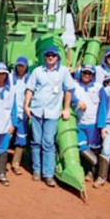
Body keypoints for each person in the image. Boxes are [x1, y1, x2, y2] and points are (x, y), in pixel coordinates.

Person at [24, 46, 75, 187]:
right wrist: (26, 106)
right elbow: (30, 89)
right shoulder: (37, 71)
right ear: (44, 57)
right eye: (48, 55)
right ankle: (36, 170)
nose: (50, 57)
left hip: (52, 113)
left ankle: (48, 174)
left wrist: (66, 109)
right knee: (36, 142)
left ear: (58, 57)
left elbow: (69, 90)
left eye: (53, 55)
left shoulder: (64, 72)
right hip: (37, 111)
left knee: (48, 142)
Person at [70, 64, 103, 179]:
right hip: (79, 123)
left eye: (89, 73)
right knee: (82, 147)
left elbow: (103, 106)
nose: (87, 75)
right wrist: (77, 101)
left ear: (93, 75)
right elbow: (68, 94)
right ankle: (95, 164)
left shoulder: (98, 87)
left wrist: (102, 125)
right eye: (85, 72)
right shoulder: (75, 85)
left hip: (93, 124)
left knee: (93, 147)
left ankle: (91, 173)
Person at [11, 56, 30, 175]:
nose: (20, 68)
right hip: (10, 113)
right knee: (4, 136)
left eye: (22, 66)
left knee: (21, 139)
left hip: (23, 114)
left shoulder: (30, 80)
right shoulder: (10, 78)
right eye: (18, 65)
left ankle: (15, 163)